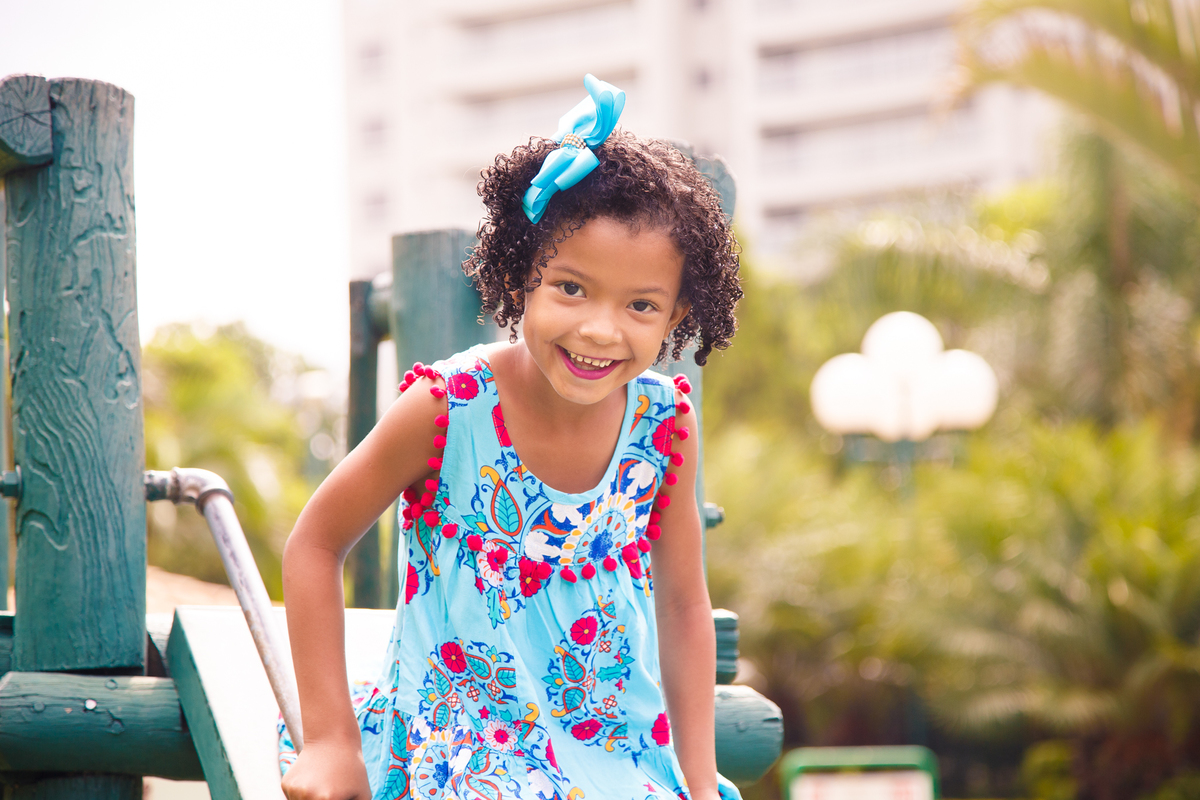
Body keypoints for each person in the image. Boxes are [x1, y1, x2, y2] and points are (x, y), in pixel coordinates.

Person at [279, 75, 743, 800]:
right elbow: (313, 545)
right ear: (519, 273)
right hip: (462, 743)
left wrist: (701, 777)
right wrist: (331, 740)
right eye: (571, 288)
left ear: (678, 312)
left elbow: (683, 605)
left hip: (610, 745)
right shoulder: (448, 407)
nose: (599, 329)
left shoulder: (663, 426)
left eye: (641, 304)